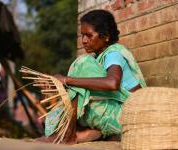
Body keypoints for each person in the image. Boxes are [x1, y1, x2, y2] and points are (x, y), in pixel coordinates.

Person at [43, 9, 147, 144]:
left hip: (129, 118)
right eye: (82, 36)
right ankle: (91, 133)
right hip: (115, 113)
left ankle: (70, 134)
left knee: (82, 63)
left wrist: (67, 80)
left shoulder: (113, 54)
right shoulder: (97, 58)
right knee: (57, 112)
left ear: (106, 37)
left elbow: (112, 83)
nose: (84, 41)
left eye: (89, 36)